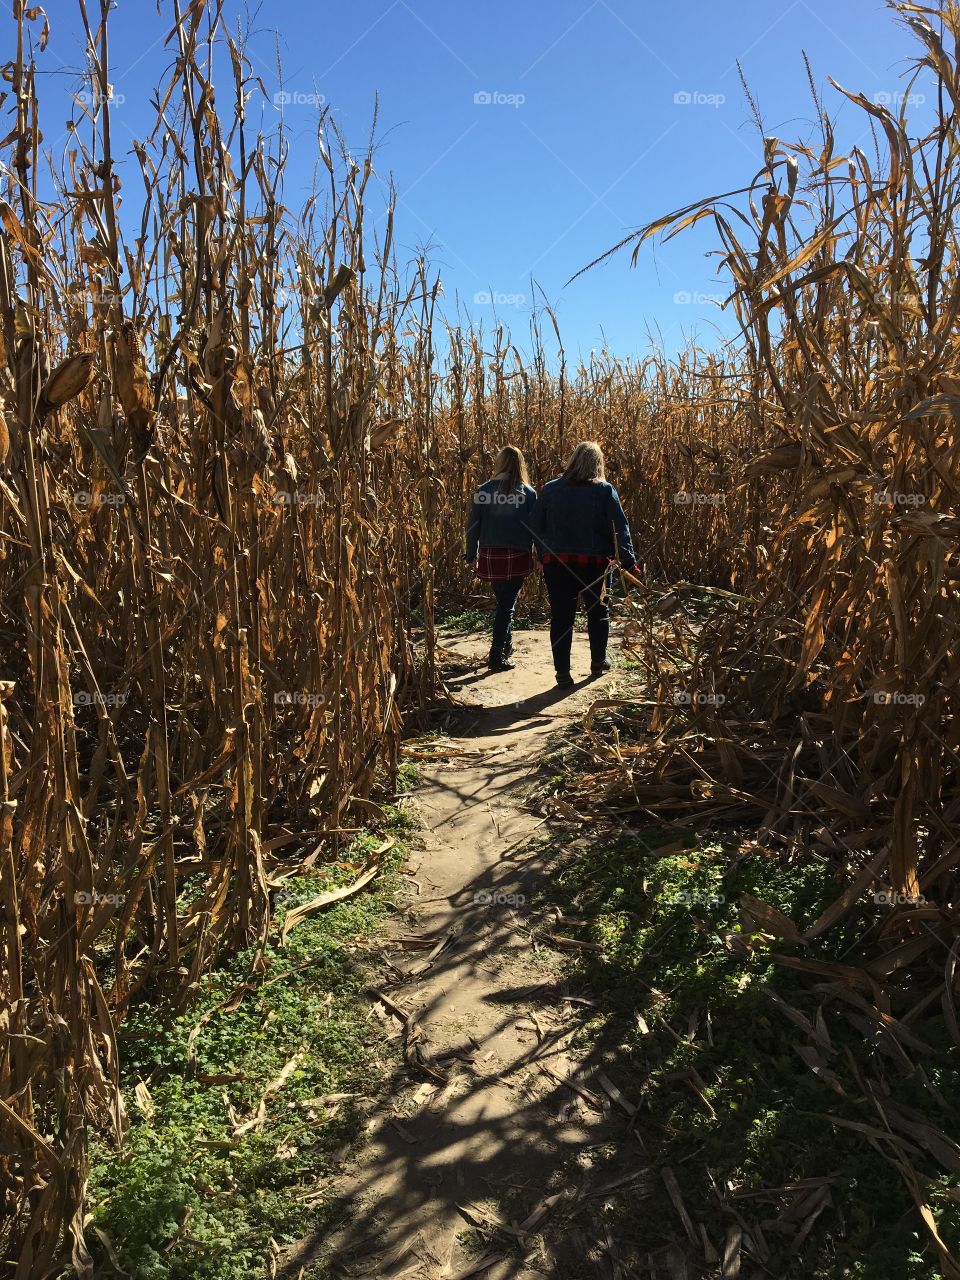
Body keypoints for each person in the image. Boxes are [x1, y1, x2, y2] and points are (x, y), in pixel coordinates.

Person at [530, 441, 638, 688]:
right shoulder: (604, 490)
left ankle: (562, 673)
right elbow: (621, 528)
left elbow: (535, 525)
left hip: (558, 564)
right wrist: (629, 562)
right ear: (597, 464)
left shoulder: (550, 490)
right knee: (598, 612)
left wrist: (542, 554)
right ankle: (598, 661)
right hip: (596, 564)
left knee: (561, 617)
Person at [464, 446, 538, 672]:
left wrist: (470, 555)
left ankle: (506, 646)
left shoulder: (484, 490)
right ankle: (496, 655)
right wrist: (541, 555)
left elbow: (473, 527)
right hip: (517, 555)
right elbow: (536, 530)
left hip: (489, 555)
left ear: (499, 463)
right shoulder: (528, 493)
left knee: (504, 603)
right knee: (507, 606)